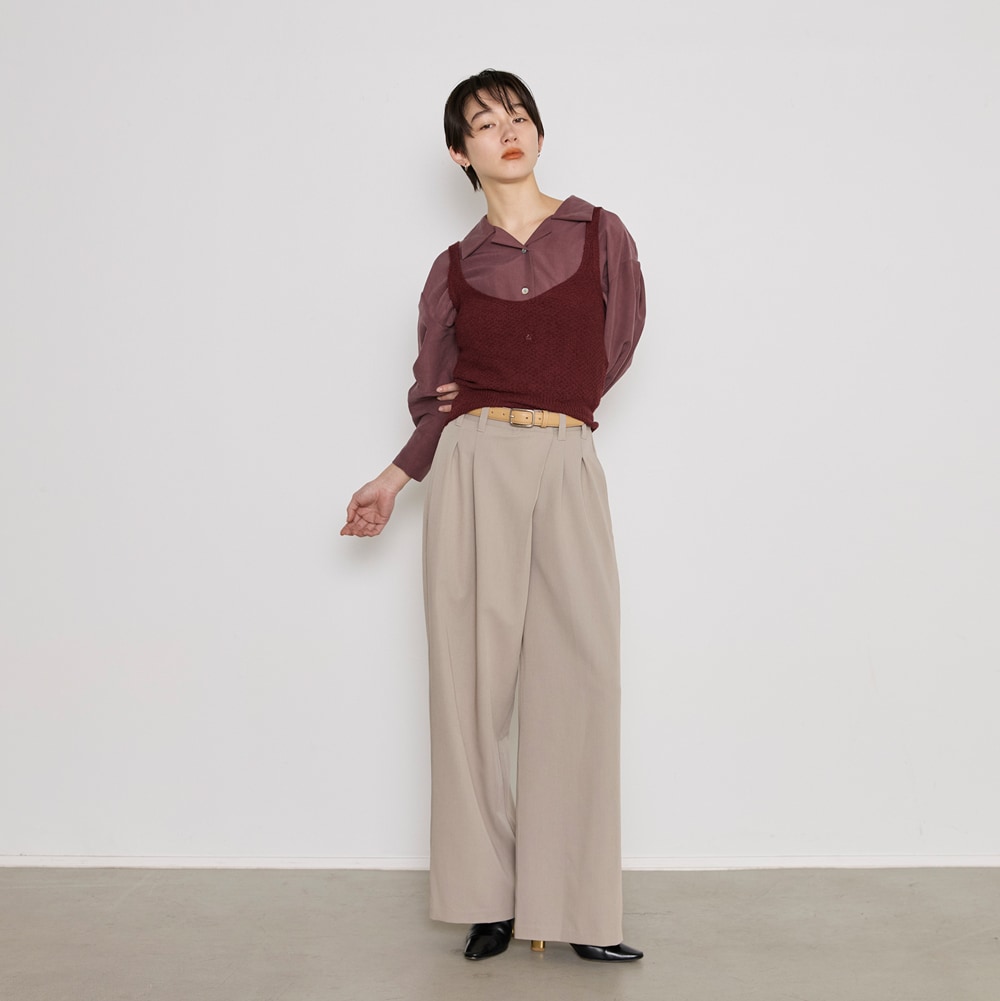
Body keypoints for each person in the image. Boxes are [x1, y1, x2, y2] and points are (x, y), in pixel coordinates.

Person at [341, 69, 645, 963]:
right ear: (459, 153)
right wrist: (395, 476)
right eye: (483, 123)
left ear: (539, 133)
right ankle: (488, 899)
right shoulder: (452, 269)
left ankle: (576, 905)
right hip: (471, 465)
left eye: (517, 116)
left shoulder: (600, 233)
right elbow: (434, 396)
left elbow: (612, 348)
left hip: (565, 458)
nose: (505, 130)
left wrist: (545, 394)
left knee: (584, 676)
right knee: (470, 686)